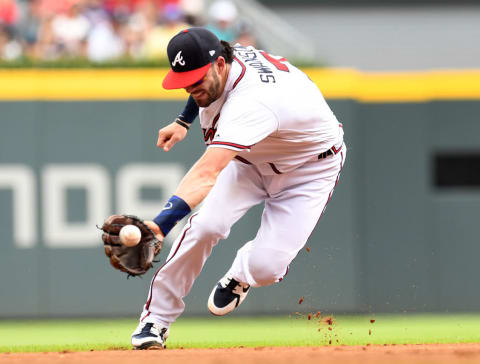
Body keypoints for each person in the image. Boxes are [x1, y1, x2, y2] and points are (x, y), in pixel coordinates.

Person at [130, 27, 346, 350]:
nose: (191, 88)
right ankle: (156, 319)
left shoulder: (254, 101)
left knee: (267, 268)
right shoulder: (222, 60)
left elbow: (206, 173)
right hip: (251, 160)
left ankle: (241, 274)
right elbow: (201, 84)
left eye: (196, 80)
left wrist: (159, 226)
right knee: (205, 226)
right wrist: (183, 120)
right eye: (185, 82)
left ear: (219, 65)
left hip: (309, 170)